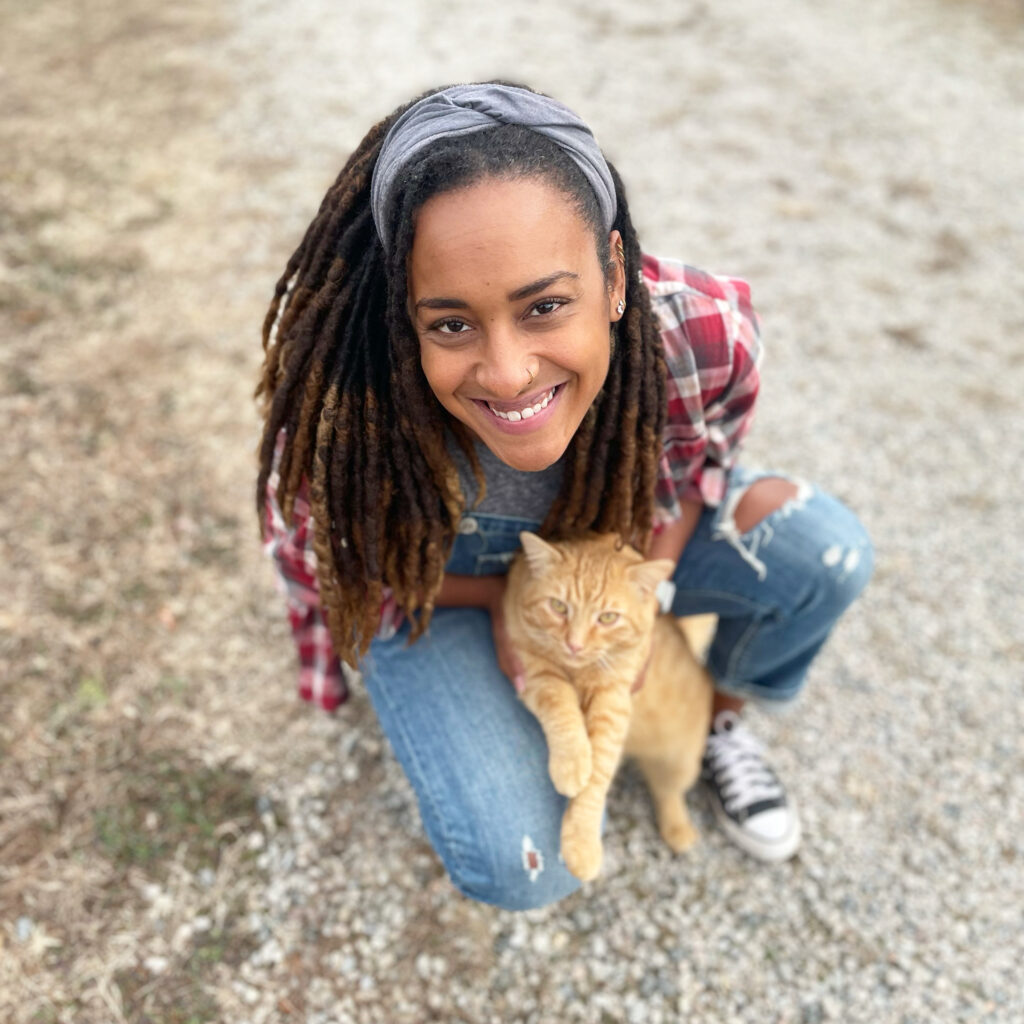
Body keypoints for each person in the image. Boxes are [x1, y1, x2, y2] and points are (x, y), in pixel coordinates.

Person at [256, 82, 873, 911]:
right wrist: (513, 600)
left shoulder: (703, 332)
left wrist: (640, 590)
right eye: (449, 324)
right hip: (443, 593)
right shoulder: (346, 421)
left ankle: (717, 720)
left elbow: (700, 469)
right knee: (522, 864)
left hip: (607, 579)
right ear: (403, 318)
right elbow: (342, 578)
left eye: (546, 306)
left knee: (824, 554)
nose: (508, 373)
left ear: (614, 275)